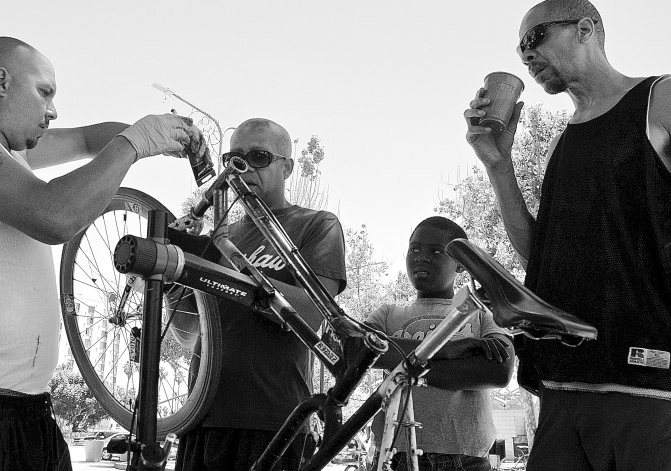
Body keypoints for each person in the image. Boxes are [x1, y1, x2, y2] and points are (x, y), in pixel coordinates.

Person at [0, 37, 205, 470]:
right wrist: (134, 143)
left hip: (28, 411)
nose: (53, 110)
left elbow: (90, 139)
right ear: (1, 81)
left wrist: (161, 134)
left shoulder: (7, 152)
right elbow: (54, 215)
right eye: (44, 92)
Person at [464, 1, 671, 469]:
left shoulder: (660, 99)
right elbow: (543, 258)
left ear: (585, 28)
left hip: (651, 389)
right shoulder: (563, 140)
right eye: (519, 52)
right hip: (562, 391)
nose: (526, 57)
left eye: (533, 40)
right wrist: (498, 165)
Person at [172, 118, 347, 471]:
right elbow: (190, 336)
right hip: (200, 417)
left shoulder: (317, 224)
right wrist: (171, 278)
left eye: (259, 156)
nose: (243, 167)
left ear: (287, 167)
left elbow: (313, 315)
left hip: (274, 421)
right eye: (232, 158)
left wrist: (232, 272)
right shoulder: (219, 237)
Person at [365, 216, 513, 471]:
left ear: (460, 265)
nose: (422, 257)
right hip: (393, 456)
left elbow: (497, 372)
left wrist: (402, 367)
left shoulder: (481, 314)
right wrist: (446, 350)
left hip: (465, 459)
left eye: (436, 251)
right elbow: (358, 351)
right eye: (414, 249)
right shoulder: (388, 313)